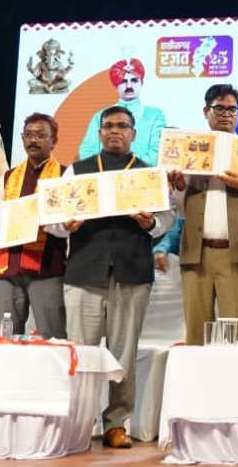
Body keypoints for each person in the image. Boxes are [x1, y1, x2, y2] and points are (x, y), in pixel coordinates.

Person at [51, 106, 174, 448]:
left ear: (134, 133)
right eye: (108, 126)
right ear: (99, 133)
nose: (115, 131)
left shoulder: (149, 174)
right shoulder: (78, 170)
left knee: (124, 353)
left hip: (131, 271)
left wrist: (151, 223)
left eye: (122, 126)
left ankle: (116, 423)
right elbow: (53, 220)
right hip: (84, 270)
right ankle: (80, 421)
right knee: (82, 352)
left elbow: (167, 219)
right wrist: (65, 225)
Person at [169, 84, 238, 345]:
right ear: (206, 111)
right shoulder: (189, 150)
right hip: (196, 252)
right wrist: (179, 187)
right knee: (195, 334)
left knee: (235, 334)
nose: (226, 115)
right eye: (219, 108)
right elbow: (178, 210)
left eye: (232, 110)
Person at [0, 113, 67, 338]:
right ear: (22, 138)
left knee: (52, 336)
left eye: (40, 135)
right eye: (28, 135)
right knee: (5, 337)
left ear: (54, 141)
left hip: (47, 268)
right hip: (9, 267)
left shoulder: (65, 175)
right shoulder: (8, 177)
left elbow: (69, 225)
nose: (33, 140)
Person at [78, 58, 166, 166]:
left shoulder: (155, 115)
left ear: (141, 83)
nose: (129, 86)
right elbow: (86, 152)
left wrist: (128, 167)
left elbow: (158, 154)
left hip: (143, 174)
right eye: (123, 81)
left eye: (134, 80)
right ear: (116, 85)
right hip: (105, 173)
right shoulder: (100, 116)